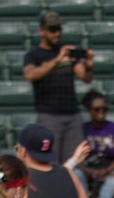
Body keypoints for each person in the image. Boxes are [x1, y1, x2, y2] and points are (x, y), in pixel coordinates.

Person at [23, 11, 94, 164]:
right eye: (52, 30)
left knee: (75, 162)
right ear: (42, 30)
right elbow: (29, 75)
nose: (57, 33)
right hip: (49, 115)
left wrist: (88, 66)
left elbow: (85, 78)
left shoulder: (67, 53)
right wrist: (56, 61)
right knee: (49, 162)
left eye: (59, 29)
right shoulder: (34, 55)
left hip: (72, 114)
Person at [78, 91, 114, 198]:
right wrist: (88, 170)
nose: (101, 112)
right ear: (89, 110)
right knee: (76, 173)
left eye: (104, 109)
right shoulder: (83, 129)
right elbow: (77, 156)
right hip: (88, 167)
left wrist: (107, 170)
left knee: (113, 178)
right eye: (97, 109)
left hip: (110, 167)